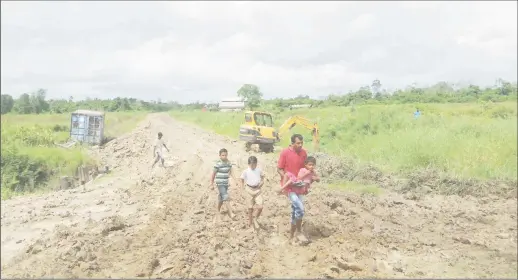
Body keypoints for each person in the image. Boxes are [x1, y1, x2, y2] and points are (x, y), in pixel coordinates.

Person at [277, 134, 319, 244]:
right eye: (298, 143)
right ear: (292, 143)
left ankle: (292, 235)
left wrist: (309, 181)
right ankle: (299, 232)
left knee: (296, 210)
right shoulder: (285, 152)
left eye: (301, 143)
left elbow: (307, 168)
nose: (300, 145)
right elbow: (279, 169)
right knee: (299, 208)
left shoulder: (304, 153)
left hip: (300, 187)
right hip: (290, 186)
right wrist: (287, 179)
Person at [210, 148, 238, 220]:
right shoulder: (218, 164)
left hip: (225, 183)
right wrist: (211, 184)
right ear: (219, 155)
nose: (224, 157)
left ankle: (217, 211)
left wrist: (236, 180)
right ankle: (231, 213)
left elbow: (231, 172)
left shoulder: (228, 163)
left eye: (225, 155)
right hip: (220, 183)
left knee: (221, 198)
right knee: (225, 197)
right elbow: (213, 174)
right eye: (222, 155)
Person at [240, 156, 265, 229]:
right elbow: (241, 179)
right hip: (249, 189)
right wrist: (242, 188)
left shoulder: (259, 170)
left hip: (257, 190)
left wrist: (262, 182)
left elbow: (263, 177)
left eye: (254, 164)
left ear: (256, 164)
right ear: (248, 164)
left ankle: (255, 218)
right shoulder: (246, 171)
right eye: (251, 164)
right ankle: (250, 223)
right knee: (250, 208)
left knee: (260, 206)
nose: (253, 166)